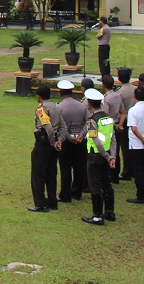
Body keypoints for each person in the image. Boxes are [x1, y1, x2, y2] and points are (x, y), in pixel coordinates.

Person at [81, 88, 117, 225]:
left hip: (95, 155)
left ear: (89, 103)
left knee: (95, 186)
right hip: (106, 153)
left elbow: (95, 141)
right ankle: (109, 212)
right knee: (106, 183)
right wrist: (112, 156)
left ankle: (97, 216)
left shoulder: (91, 121)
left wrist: (107, 156)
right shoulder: (108, 118)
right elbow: (113, 138)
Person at [29, 86, 65, 212]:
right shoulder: (55, 107)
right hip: (54, 142)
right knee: (51, 173)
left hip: (44, 142)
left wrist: (53, 142)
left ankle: (40, 204)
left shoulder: (42, 109)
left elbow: (48, 128)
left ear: (39, 97)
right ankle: (52, 202)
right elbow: (63, 126)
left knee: (38, 173)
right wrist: (59, 140)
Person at [55, 80, 87, 203]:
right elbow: (88, 123)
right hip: (80, 141)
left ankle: (65, 194)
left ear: (60, 93)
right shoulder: (82, 106)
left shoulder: (59, 107)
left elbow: (59, 126)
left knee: (65, 168)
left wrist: (68, 137)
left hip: (66, 141)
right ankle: (77, 192)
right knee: (79, 168)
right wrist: (81, 135)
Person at [99, 75, 125, 183]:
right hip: (117, 123)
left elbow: (106, 115)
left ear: (103, 85)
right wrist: (120, 124)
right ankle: (115, 173)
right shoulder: (118, 96)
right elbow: (123, 112)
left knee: (108, 150)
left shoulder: (105, 98)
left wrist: (116, 125)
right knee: (116, 149)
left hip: (109, 126)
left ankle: (110, 173)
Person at [115, 70, 137, 181]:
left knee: (125, 147)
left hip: (125, 120)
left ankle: (127, 171)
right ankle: (133, 169)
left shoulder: (120, 92)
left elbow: (120, 109)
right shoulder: (135, 89)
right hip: (135, 120)